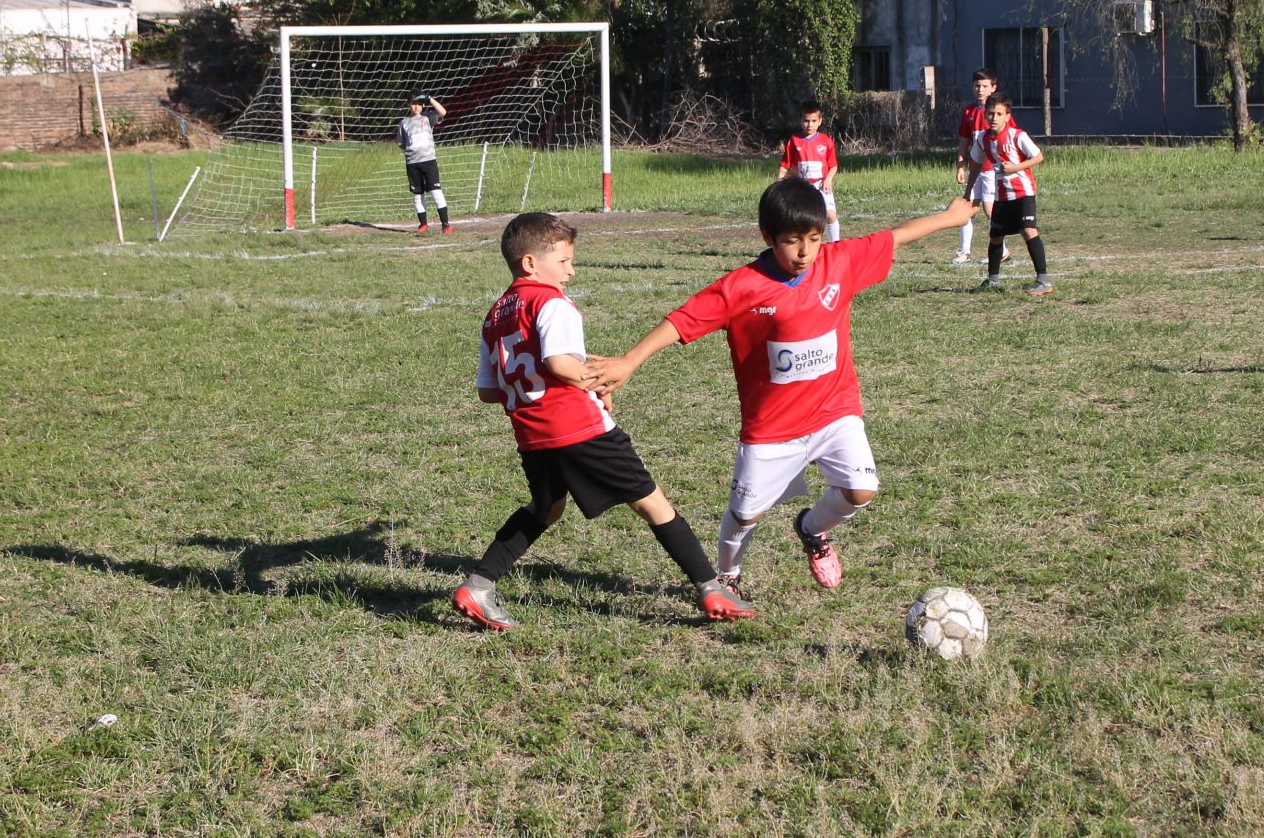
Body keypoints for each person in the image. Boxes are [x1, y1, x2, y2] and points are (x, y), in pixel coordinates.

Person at [587, 181, 975, 601]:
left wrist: (950, 218)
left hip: (834, 412)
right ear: (767, 237)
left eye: (813, 238)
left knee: (862, 490)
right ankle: (728, 576)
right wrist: (630, 360)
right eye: (792, 241)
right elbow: (682, 321)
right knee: (745, 515)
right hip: (771, 429)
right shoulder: (741, 287)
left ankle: (813, 529)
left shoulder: (838, 263)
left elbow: (895, 236)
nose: (805, 251)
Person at [458, 212, 753, 629]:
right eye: (563, 261)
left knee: (546, 509)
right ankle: (711, 588)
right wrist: (598, 381)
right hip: (579, 429)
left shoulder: (496, 315)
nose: (570, 271)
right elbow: (559, 363)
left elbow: (489, 391)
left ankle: (479, 585)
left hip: (532, 436)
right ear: (530, 263)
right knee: (652, 501)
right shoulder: (551, 303)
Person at [968, 94, 1053, 296]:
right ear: (985, 115)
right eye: (990, 113)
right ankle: (993, 280)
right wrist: (967, 192)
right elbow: (976, 164)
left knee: (1028, 230)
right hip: (1002, 195)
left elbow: (1039, 156)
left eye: (999, 114)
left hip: (1023, 192)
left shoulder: (1017, 136)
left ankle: (1044, 280)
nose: (994, 118)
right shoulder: (982, 139)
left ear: (1007, 116)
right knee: (996, 236)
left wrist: (1015, 167)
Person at [952, 68, 998, 264]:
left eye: (985, 86)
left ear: (993, 88)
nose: (980, 90)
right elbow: (964, 140)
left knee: (989, 209)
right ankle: (965, 251)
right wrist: (960, 165)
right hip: (974, 168)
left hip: (991, 169)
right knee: (967, 206)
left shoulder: (997, 112)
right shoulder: (969, 111)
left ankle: (1000, 250)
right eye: (977, 86)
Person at [777, 100, 841, 242]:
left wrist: (828, 179)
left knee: (830, 215)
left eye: (813, 121)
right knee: (806, 219)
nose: (809, 125)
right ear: (801, 121)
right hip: (803, 188)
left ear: (820, 121)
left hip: (821, 185)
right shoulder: (794, 141)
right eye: (806, 121)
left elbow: (833, 166)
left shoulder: (826, 141)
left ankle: (835, 244)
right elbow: (785, 164)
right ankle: (805, 245)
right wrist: (779, 182)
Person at [397, 93, 453, 235]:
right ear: (408, 104)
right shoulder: (404, 123)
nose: (416, 106)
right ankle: (423, 224)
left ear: (423, 105)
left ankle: (445, 224)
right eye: (413, 103)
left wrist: (429, 99)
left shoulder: (428, 118)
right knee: (417, 194)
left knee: (435, 192)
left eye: (419, 103)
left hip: (428, 162)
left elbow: (443, 112)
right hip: (412, 164)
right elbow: (401, 144)